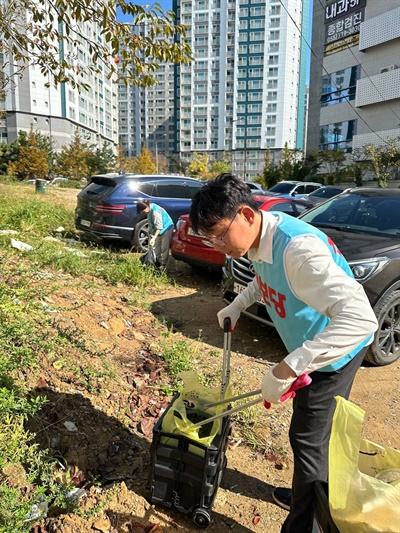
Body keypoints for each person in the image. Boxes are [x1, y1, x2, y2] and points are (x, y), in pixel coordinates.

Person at [189, 173, 378, 533]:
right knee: (311, 437)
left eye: (218, 235)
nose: (217, 246)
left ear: (245, 214)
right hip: (308, 348)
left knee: (308, 438)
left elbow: (361, 320)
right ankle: (306, 493)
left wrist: (288, 368)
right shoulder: (258, 240)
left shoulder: (299, 251)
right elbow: (265, 280)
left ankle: (303, 521)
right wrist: (239, 303)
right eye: (208, 238)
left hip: (334, 354)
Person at [136, 200, 174, 270]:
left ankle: (163, 265)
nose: (143, 212)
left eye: (143, 210)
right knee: (157, 247)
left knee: (164, 247)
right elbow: (151, 220)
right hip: (158, 229)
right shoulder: (149, 208)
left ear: (147, 206)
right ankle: (158, 262)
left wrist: (154, 237)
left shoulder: (155, 212)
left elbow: (159, 227)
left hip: (166, 228)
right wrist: (150, 230)